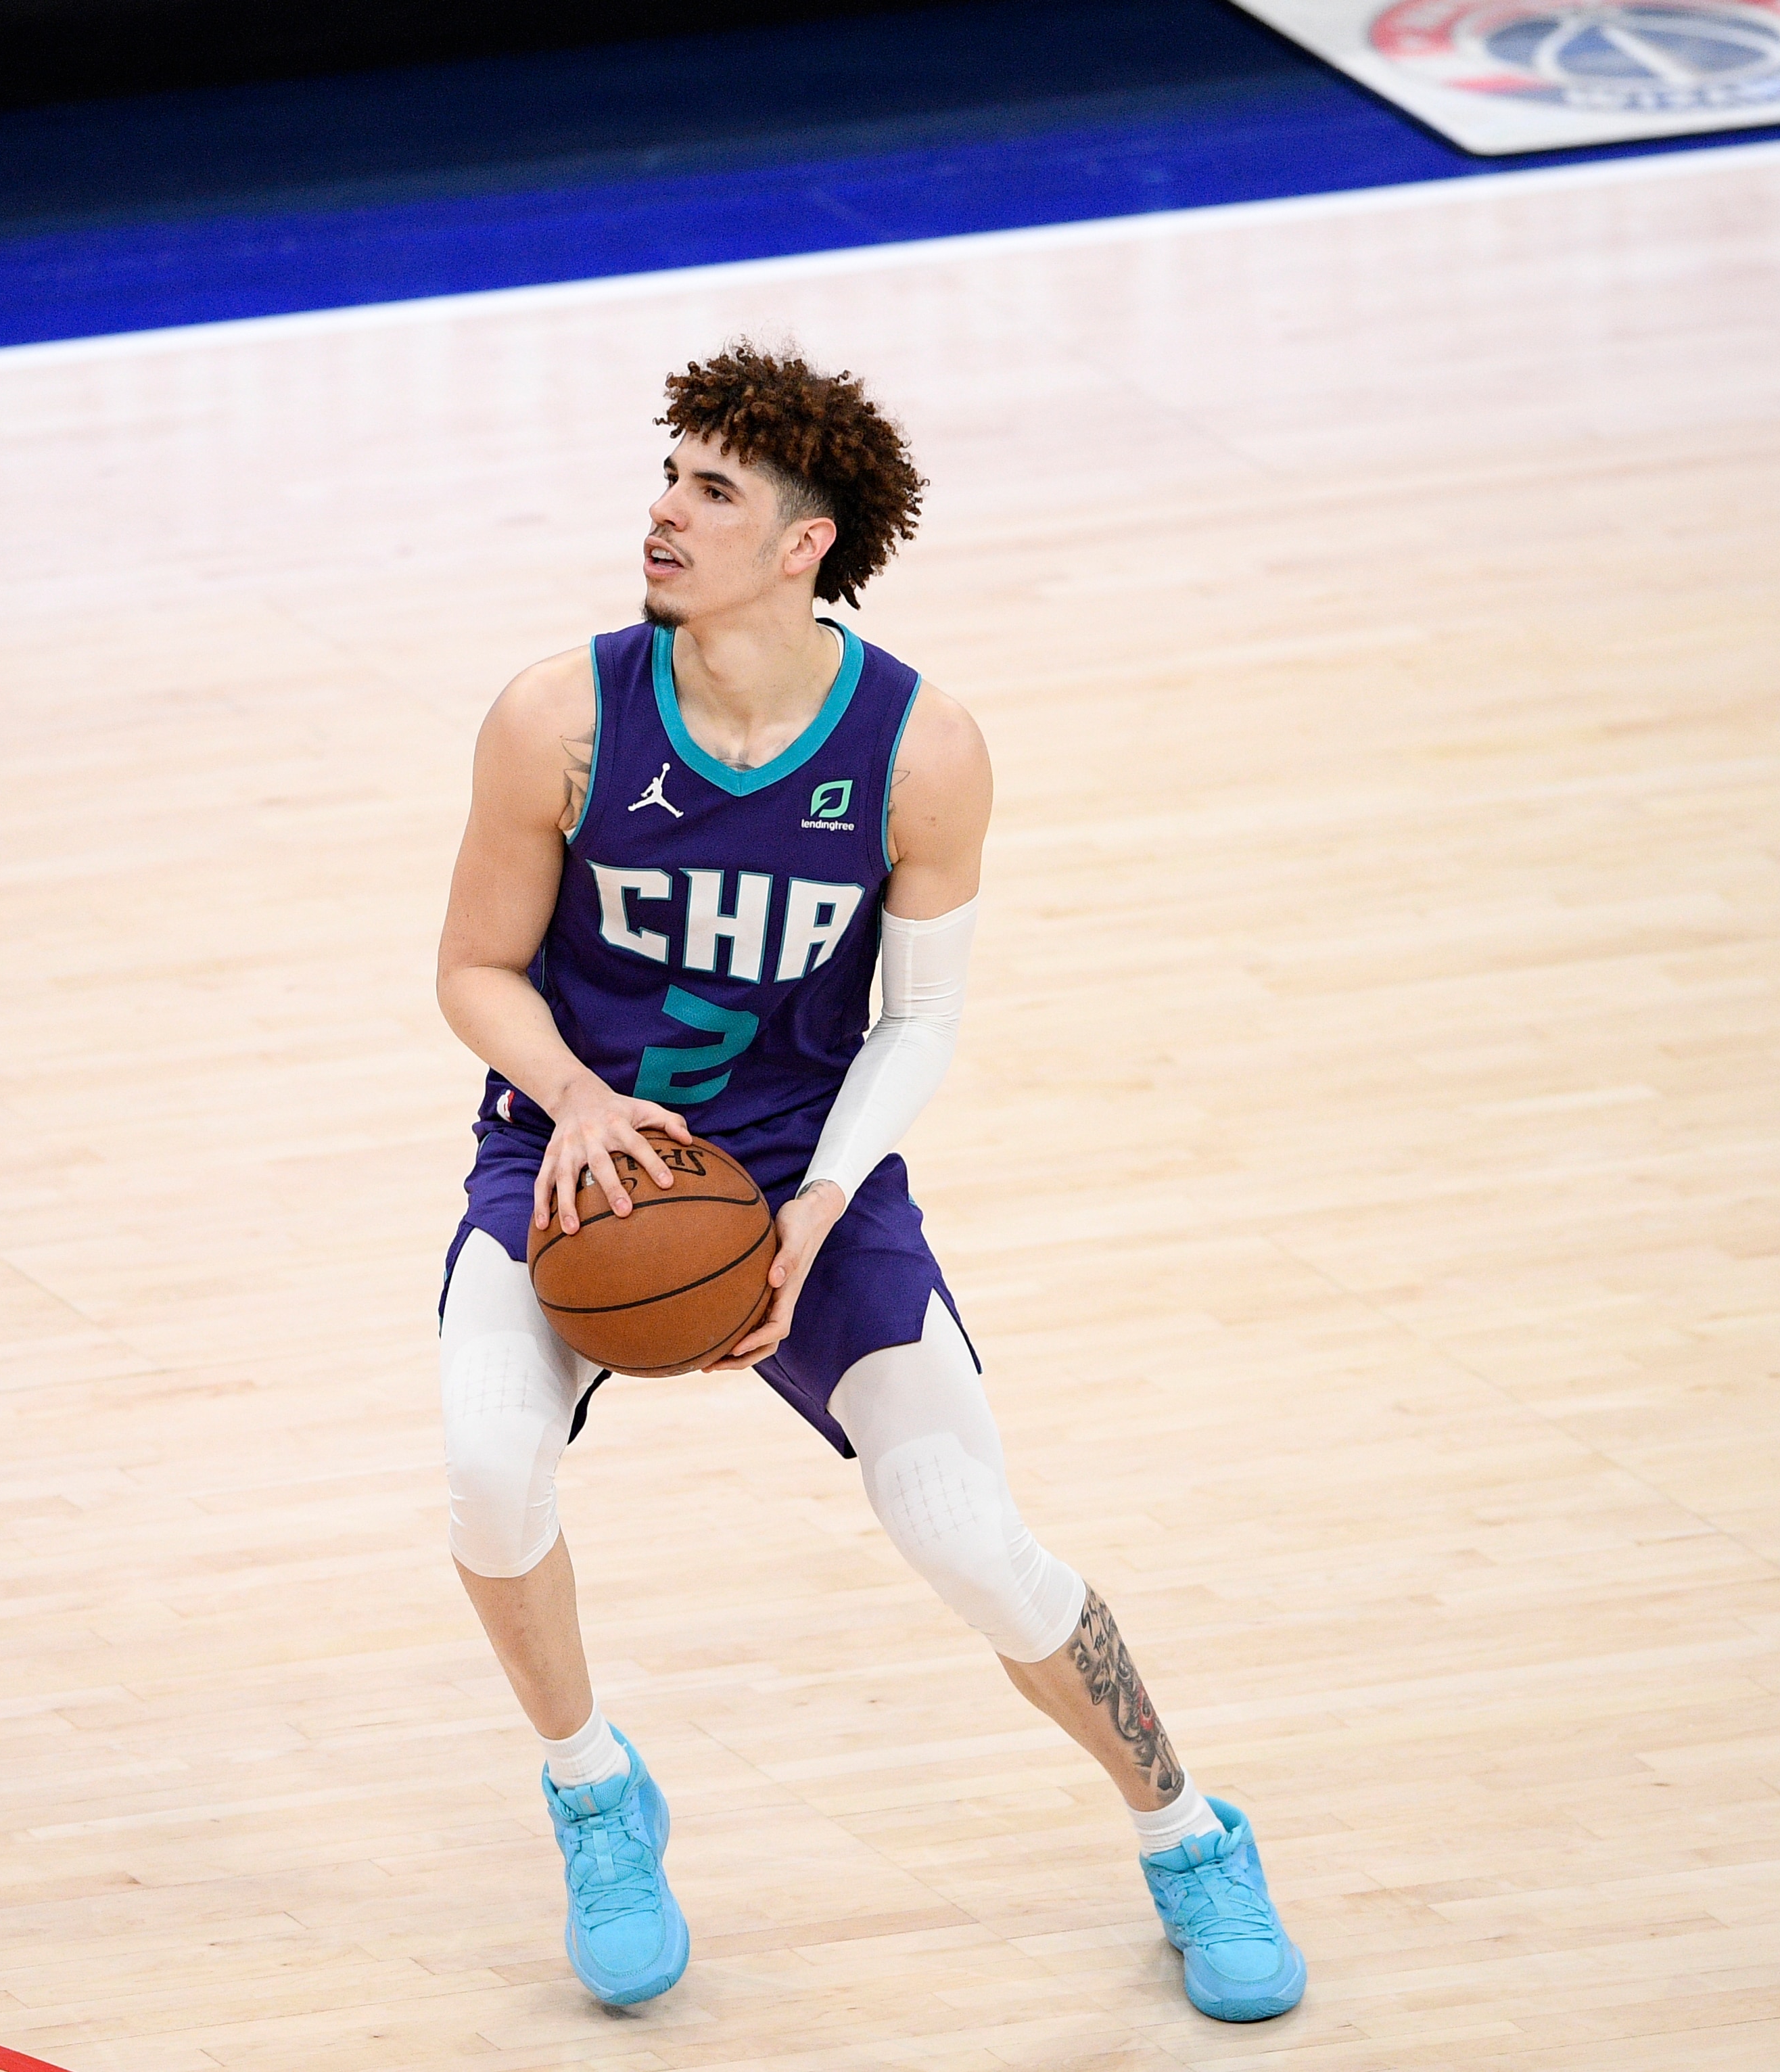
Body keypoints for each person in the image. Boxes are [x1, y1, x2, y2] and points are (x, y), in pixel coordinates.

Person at [430, 342, 1304, 2023]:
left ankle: (1187, 1830)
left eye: (712, 490)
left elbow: (918, 1017)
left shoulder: (921, 746)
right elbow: (473, 967)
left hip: (806, 1169)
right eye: (666, 474)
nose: (663, 513)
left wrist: (819, 1202)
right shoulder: (557, 714)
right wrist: (574, 1098)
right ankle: (595, 1788)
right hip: (577, 1149)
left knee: (964, 1531)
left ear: (800, 545)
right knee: (482, 1462)